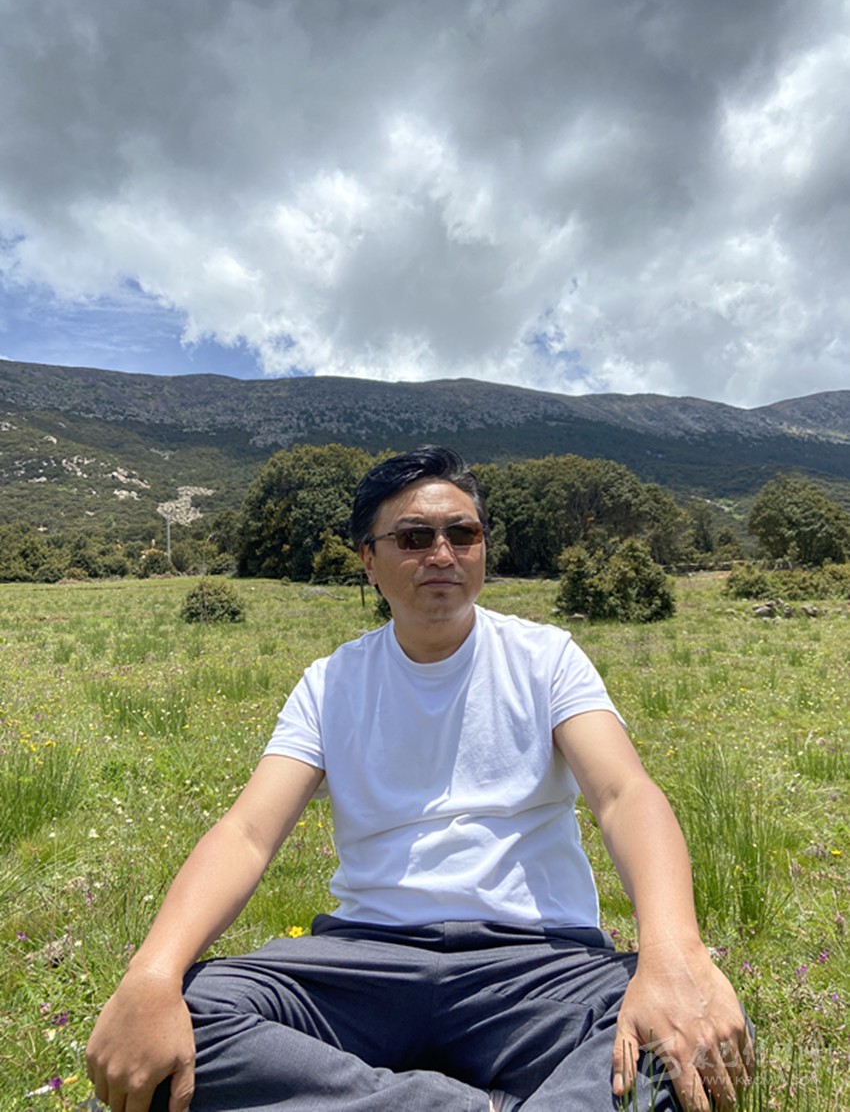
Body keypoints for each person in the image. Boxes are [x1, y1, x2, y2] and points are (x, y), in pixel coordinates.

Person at [86, 446, 752, 1112]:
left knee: (680, 1030)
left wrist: (674, 955)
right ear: (368, 560)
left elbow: (623, 794)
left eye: (463, 533)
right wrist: (153, 972)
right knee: (193, 1011)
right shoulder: (331, 683)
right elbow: (248, 832)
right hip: (367, 962)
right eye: (414, 537)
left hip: (536, 965)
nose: (442, 553)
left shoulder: (546, 659)